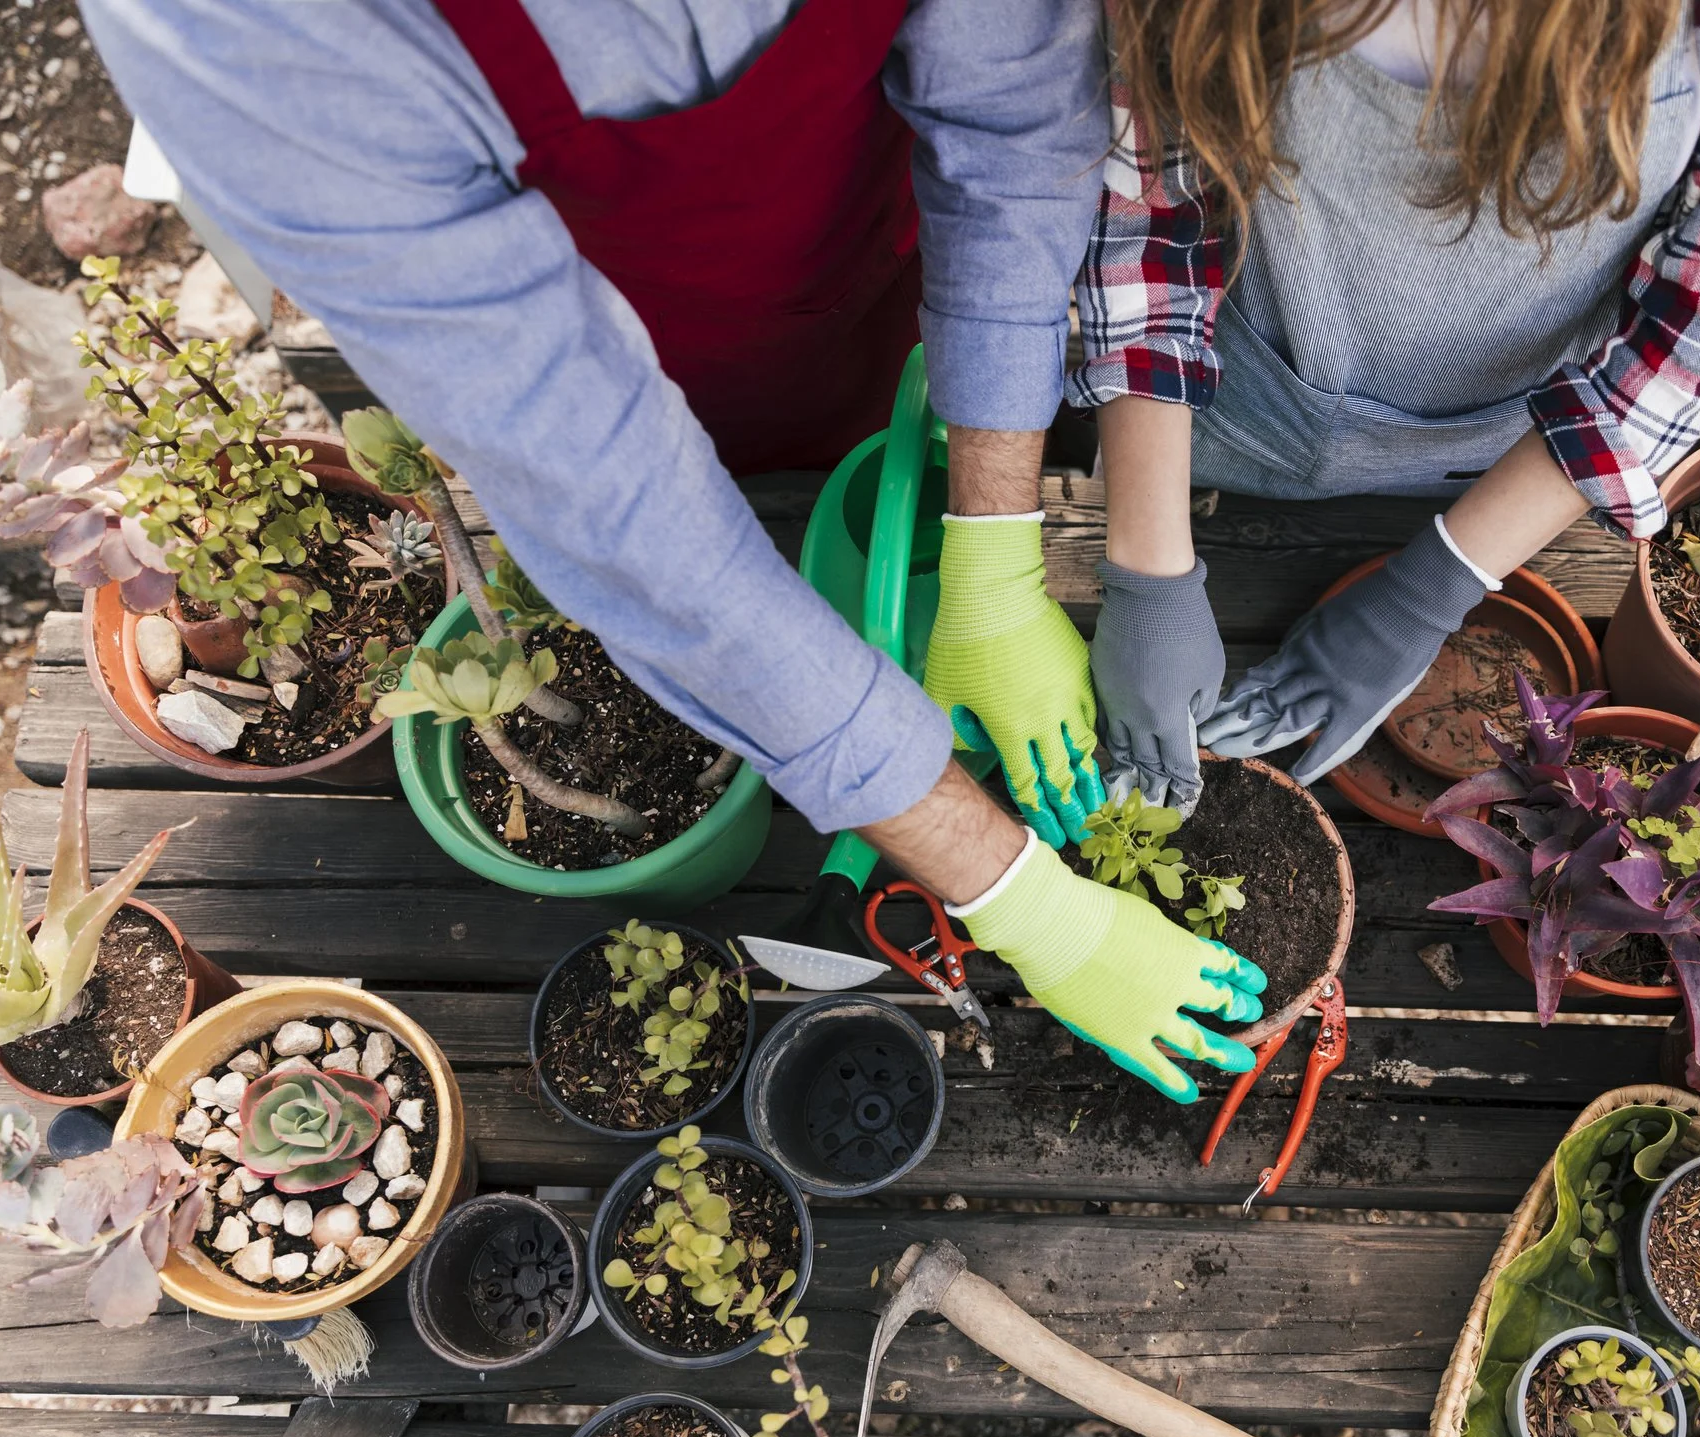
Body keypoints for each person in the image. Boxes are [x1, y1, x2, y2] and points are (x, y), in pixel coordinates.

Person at [76, 0, 1264, 1102]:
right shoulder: (243, 26)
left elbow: (1009, 123)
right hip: (603, 354)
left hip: (884, 263)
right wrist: (1024, 902)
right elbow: (628, 526)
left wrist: (997, 558)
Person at [1075, 0, 1700, 812]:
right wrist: (1148, 572)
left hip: (1520, 450)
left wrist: (1430, 588)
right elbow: (1144, 215)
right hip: (1230, 399)